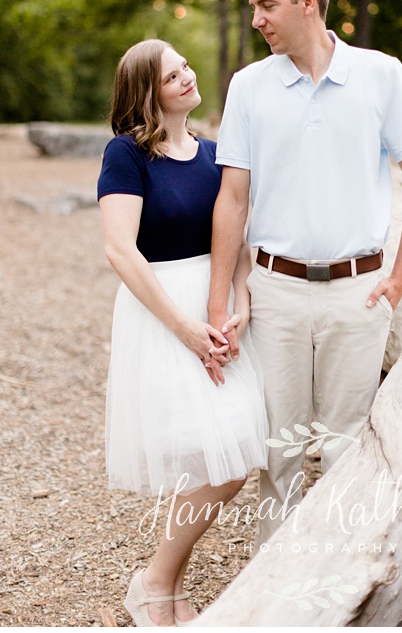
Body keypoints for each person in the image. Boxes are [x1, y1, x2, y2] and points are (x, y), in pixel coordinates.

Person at [209, 0, 402, 547]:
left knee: (344, 450)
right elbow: (232, 199)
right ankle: (271, 593)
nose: (257, 19)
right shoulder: (249, 86)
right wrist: (217, 305)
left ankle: (338, 591)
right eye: (253, 7)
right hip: (275, 292)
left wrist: (400, 278)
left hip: (358, 294)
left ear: (307, 2)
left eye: (266, 5)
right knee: (279, 452)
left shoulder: (381, 74)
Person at [98, 39, 269, 626]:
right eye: (173, 76)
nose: (188, 78)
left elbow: (238, 237)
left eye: (187, 68)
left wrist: (238, 302)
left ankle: (156, 578)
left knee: (233, 449)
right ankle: (156, 581)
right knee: (215, 454)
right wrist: (184, 327)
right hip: (163, 312)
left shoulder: (216, 153)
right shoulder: (126, 155)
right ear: (147, 93)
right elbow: (120, 250)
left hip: (218, 306)